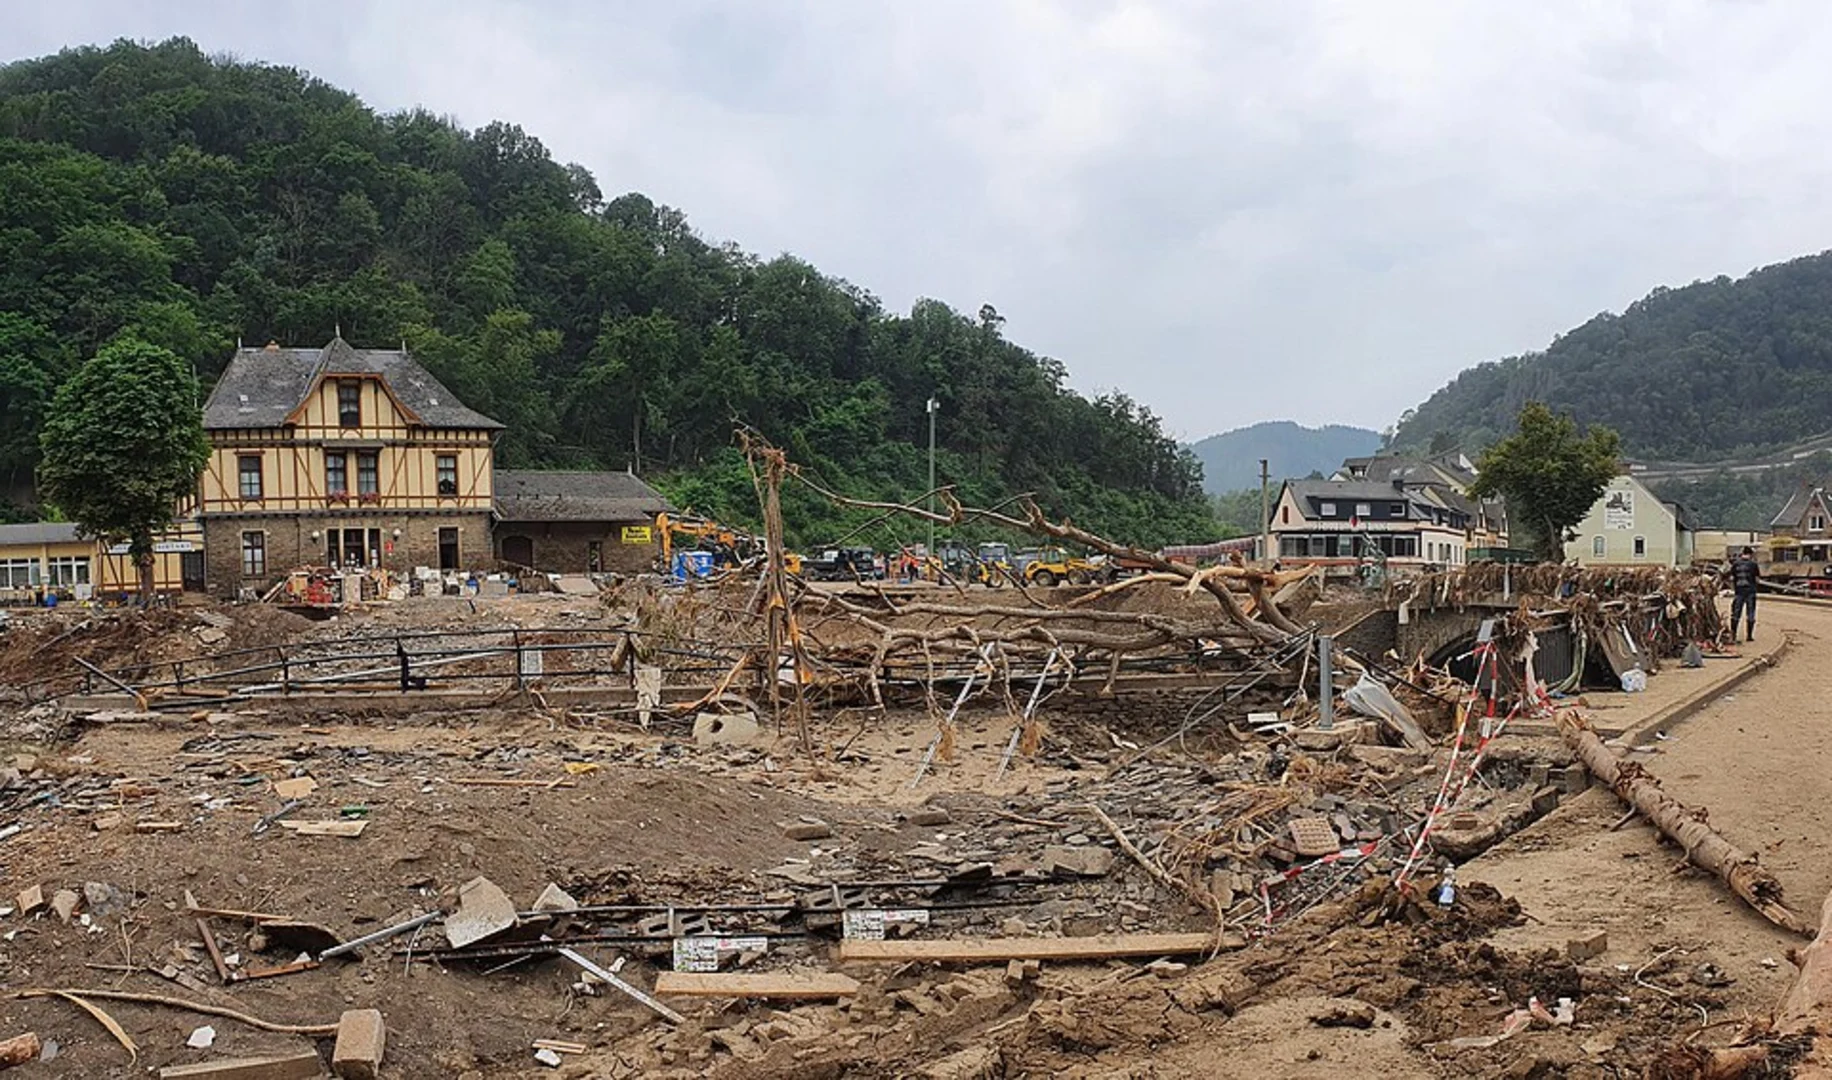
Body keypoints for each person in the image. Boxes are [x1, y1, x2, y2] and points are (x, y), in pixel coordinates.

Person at [1729, 545, 1760, 642]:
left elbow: (1732, 578)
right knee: (1750, 613)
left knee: (1736, 613)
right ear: (1750, 554)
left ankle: (1733, 635)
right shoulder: (1753, 564)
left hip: (1739, 592)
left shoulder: (1735, 564)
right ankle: (1749, 636)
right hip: (1750, 591)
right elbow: (1757, 579)